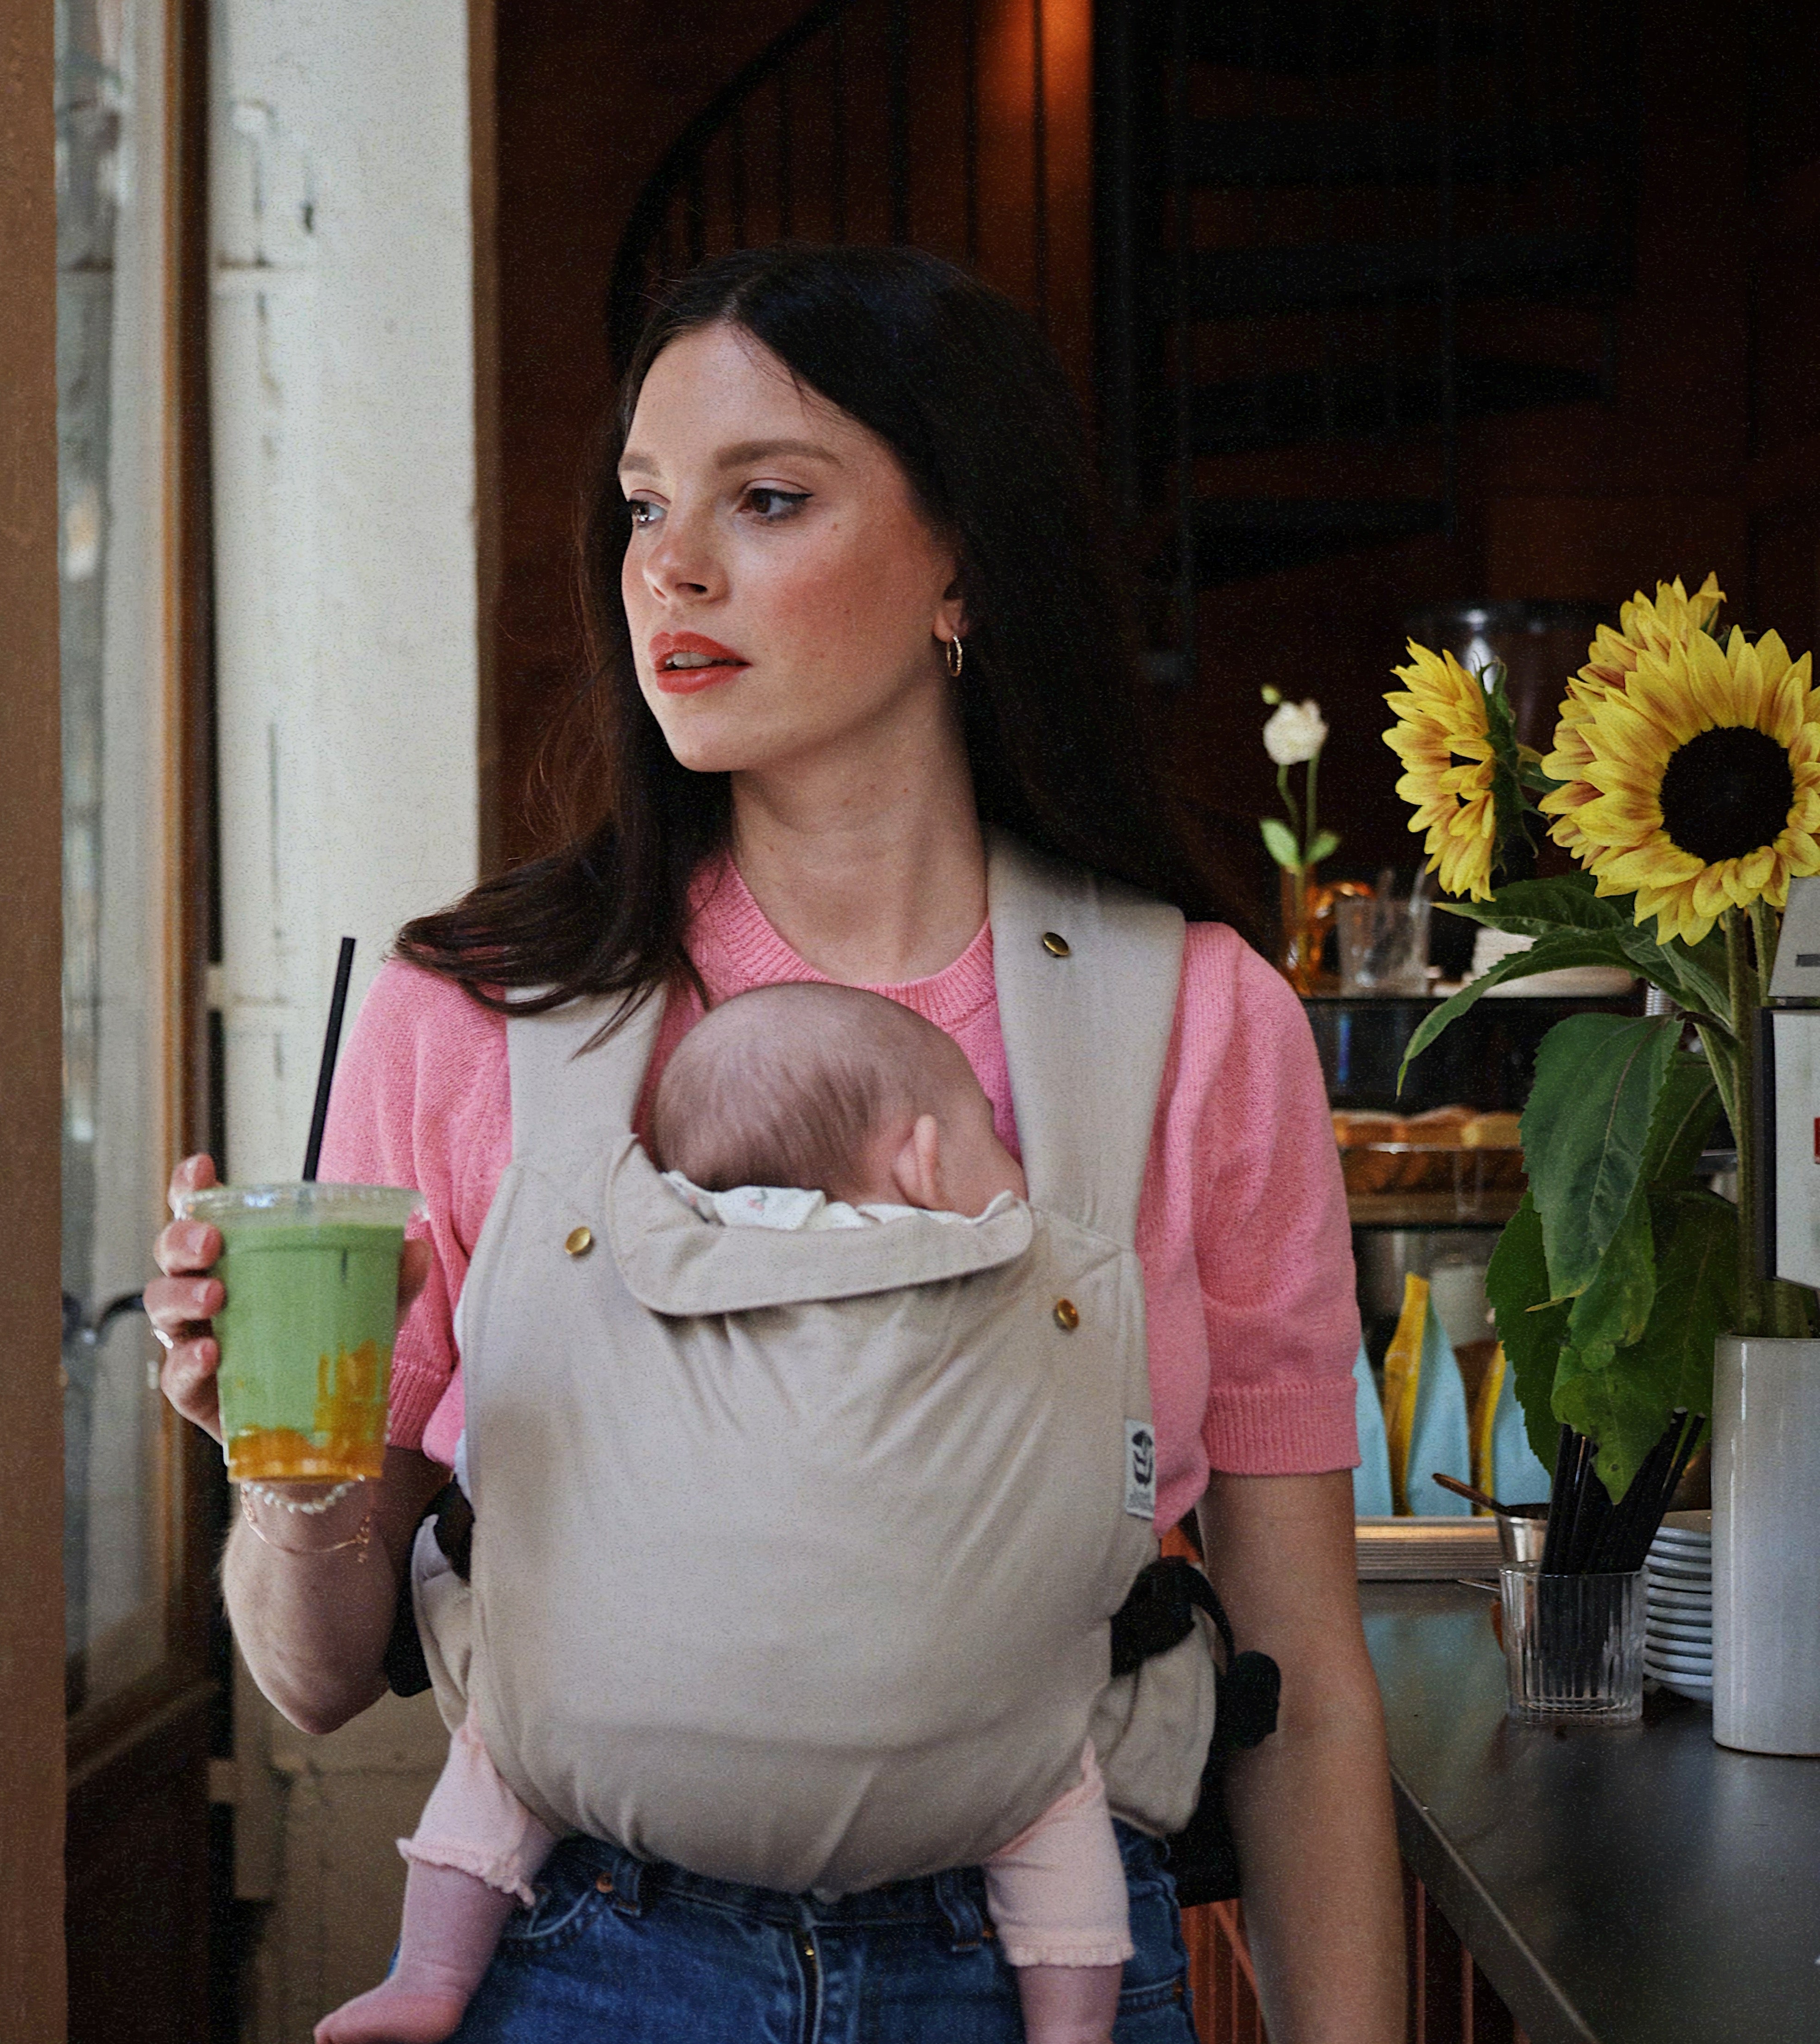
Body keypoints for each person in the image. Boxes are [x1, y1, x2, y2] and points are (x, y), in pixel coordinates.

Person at [148, 243, 1406, 2042]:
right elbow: (319, 1677)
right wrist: (278, 1461)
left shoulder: (1193, 1019)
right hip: (595, 1960)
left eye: (771, 497)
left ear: (962, 556)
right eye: (647, 503)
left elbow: (1310, 1687)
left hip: (1044, 1962)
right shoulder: (474, 1011)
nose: (672, 561)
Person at [320, 981, 1139, 2044]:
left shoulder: (628, 1242)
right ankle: (1070, 2029)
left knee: (501, 1756)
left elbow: (497, 1461)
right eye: (992, 1138)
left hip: (595, 1863)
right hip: (966, 1802)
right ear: (923, 1161)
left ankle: (429, 1975)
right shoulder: (990, 1258)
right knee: (1058, 1806)